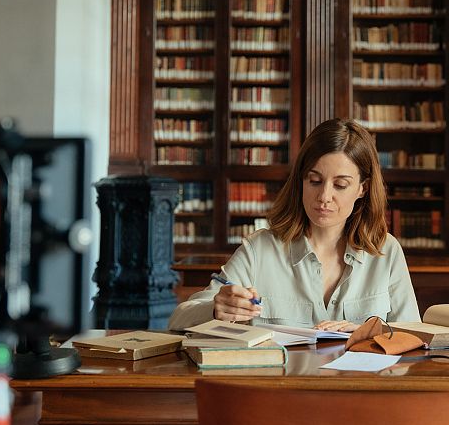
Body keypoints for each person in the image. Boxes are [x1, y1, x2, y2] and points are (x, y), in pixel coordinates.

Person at [167, 118, 420, 332]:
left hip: (357, 387)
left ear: (362, 189)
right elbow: (178, 320)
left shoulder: (386, 251)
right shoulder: (260, 249)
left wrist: (371, 334)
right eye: (314, 181)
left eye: (340, 185)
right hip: (279, 387)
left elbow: (416, 337)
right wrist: (215, 309)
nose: (324, 196)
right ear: (301, 180)